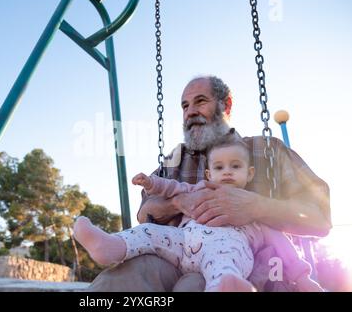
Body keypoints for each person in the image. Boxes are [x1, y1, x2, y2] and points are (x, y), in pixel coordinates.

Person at [86, 75, 331, 292]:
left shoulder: (267, 151)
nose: (190, 111)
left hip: (245, 263)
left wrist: (257, 207)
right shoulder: (174, 161)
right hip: (176, 254)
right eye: (184, 105)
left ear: (226, 105)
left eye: (200, 101)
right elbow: (145, 214)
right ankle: (108, 248)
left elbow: (320, 218)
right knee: (118, 282)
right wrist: (180, 202)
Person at [74, 133, 323, 291]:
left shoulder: (255, 210)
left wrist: (302, 279)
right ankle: (109, 246)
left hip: (223, 252)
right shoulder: (197, 187)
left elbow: (283, 245)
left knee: (224, 264)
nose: (226, 172)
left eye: (234, 167)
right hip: (183, 244)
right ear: (209, 173)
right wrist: (151, 184)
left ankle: (229, 286)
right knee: (148, 231)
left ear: (249, 174)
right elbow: (169, 188)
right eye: (219, 167)